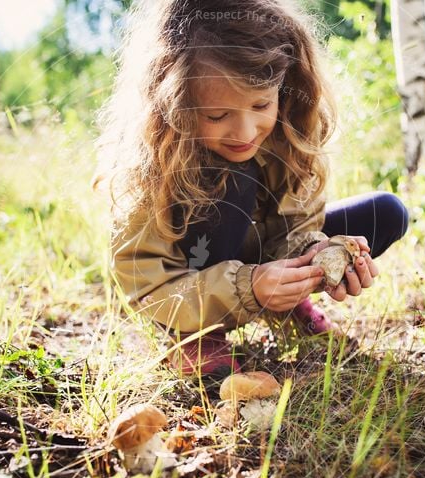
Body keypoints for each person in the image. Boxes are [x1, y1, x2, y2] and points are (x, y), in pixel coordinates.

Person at [93, 0, 408, 379]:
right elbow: (148, 288)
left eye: (261, 104)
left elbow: (294, 226)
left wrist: (312, 254)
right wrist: (250, 287)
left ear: (285, 86)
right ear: (175, 104)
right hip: (189, 284)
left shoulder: (289, 132)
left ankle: (289, 303)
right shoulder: (152, 166)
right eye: (217, 115)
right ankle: (195, 336)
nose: (244, 134)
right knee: (232, 179)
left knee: (387, 212)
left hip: (258, 258)